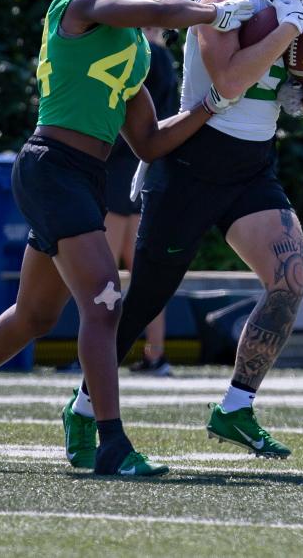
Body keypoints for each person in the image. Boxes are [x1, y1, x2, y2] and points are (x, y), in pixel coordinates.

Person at [0, 0, 253, 477]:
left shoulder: (136, 49)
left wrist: (211, 107)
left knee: (33, 316)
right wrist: (211, 13)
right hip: (50, 165)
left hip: (82, 176)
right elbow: (147, 8)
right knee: (104, 305)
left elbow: (149, 140)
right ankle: (111, 442)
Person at [65, 0, 303, 463]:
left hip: (251, 166)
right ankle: (81, 405)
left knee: (288, 283)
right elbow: (231, 81)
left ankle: (236, 406)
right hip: (189, 165)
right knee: (143, 301)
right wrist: (288, 29)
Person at [106, 27, 178, 376]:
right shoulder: (167, 58)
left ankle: (96, 351)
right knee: (142, 272)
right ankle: (155, 353)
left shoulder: (144, 54)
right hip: (152, 167)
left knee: (101, 271)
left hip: (122, 167)